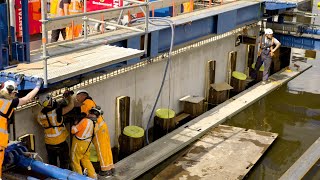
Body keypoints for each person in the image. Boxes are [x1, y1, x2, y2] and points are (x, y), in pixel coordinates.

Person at [0, 76, 43, 178]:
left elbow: (7, 92)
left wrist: (17, 84)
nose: (15, 95)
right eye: (15, 93)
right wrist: (37, 86)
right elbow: (27, 98)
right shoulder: (10, 103)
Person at [75, 90, 114, 177]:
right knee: (106, 147)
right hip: (103, 126)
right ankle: (110, 166)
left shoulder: (85, 103)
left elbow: (84, 116)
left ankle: (105, 169)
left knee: (101, 149)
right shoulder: (91, 101)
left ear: (82, 95)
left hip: (98, 129)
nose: (76, 99)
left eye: (77, 97)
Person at [37, 91, 75, 169]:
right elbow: (71, 106)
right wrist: (70, 97)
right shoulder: (57, 112)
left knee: (52, 164)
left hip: (49, 143)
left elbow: (41, 123)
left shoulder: (40, 115)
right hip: (61, 142)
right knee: (64, 163)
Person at [71, 107, 100, 179]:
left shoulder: (85, 121)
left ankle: (78, 178)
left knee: (75, 161)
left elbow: (73, 131)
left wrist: (75, 124)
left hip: (78, 144)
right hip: (87, 145)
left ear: (90, 113)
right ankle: (93, 176)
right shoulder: (96, 124)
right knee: (86, 160)